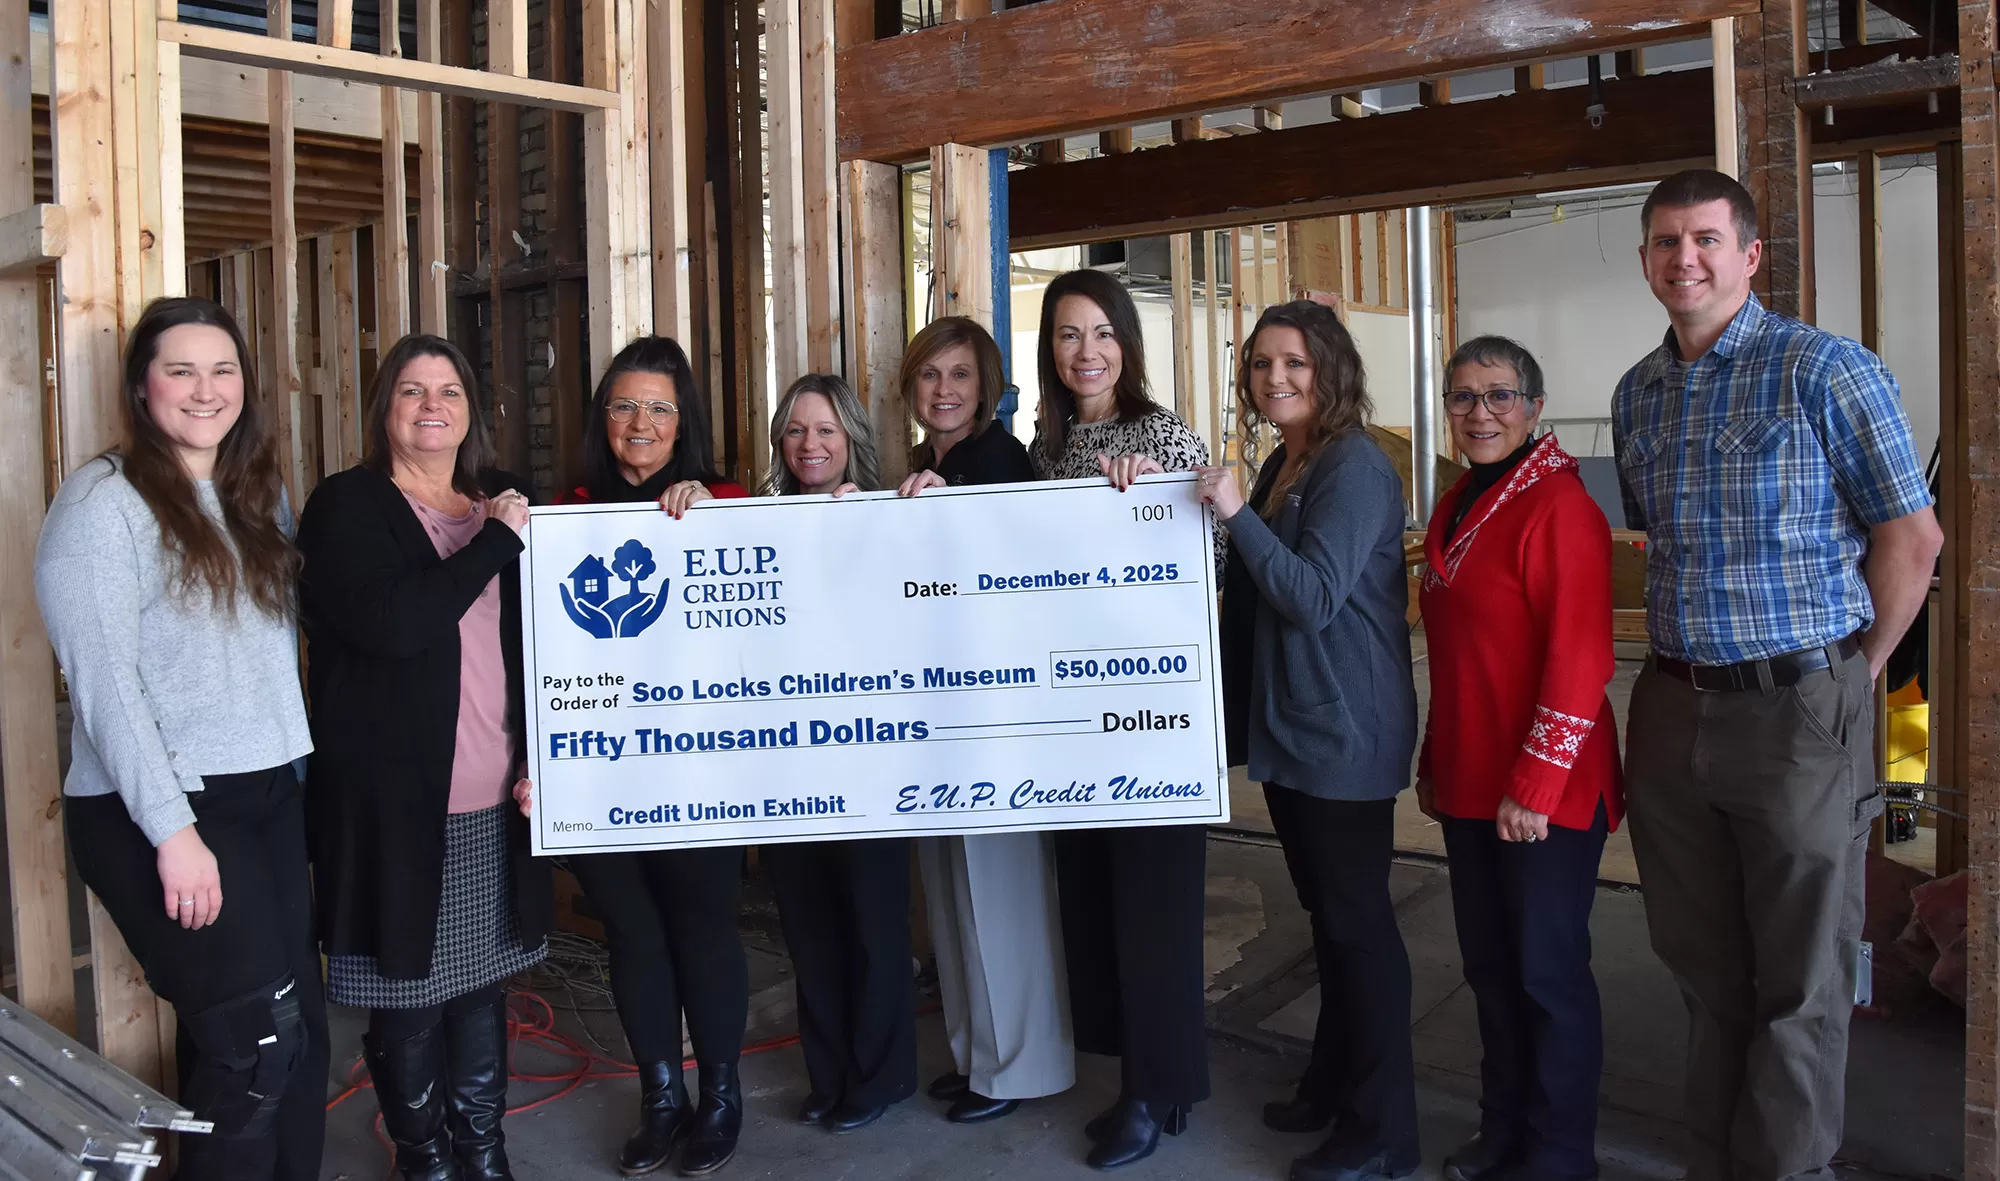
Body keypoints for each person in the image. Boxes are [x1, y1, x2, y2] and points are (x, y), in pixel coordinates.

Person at [1611, 169, 1941, 1181]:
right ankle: (1714, 1158)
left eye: (1706, 239)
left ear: (1748, 255)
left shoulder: (1823, 369)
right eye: (1666, 241)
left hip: (1801, 706)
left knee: (1801, 976)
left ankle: (1787, 1167)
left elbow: (1910, 537)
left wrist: (1857, 675)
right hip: (1670, 706)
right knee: (1702, 967)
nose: (1685, 259)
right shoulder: (1636, 392)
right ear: (1645, 261)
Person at [35, 297, 327, 1181]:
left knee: (299, 1042)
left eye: (224, 369)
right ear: (141, 385)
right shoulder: (101, 505)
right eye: (181, 370)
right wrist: (173, 831)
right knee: (253, 1052)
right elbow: (105, 689)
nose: (207, 390)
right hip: (165, 810)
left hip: (269, 795)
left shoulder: (252, 494)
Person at [297, 334, 553, 1181]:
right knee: (406, 998)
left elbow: (539, 649)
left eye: (448, 389)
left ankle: (483, 1152)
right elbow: (394, 625)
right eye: (411, 390)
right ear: (386, 410)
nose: (431, 404)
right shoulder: (348, 506)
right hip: (393, 812)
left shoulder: (494, 502)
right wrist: (493, 542)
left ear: (470, 409)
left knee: (481, 987)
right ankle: (426, 1161)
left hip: (493, 796)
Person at [1199, 300, 1420, 1181]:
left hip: (1343, 728)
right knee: (1330, 924)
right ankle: (1334, 1085)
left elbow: (1312, 595)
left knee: (1360, 929)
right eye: (1260, 365)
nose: (1274, 378)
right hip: (1294, 728)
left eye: (1292, 362)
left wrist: (1233, 515)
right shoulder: (1288, 462)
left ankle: (1384, 1133)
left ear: (1329, 368)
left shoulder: (1355, 466)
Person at [1417, 336, 1623, 1181]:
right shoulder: (1463, 496)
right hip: (1472, 778)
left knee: (1545, 976)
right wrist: (1438, 763)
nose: (1480, 413)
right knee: (1491, 972)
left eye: (1499, 395)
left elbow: (1582, 660)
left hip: (1546, 789)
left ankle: (1561, 1156)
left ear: (1535, 408)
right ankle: (1503, 1130)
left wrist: (1534, 785)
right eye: (1463, 397)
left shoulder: (1561, 507)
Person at [556, 336, 752, 1176]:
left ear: (684, 425)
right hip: (598, 770)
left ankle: (720, 1095)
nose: (641, 423)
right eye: (626, 406)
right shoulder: (561, 512)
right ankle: (660, 1094)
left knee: (702, 929)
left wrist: (708, 509)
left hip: (696, 768)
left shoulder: (728, 500)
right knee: (632, 933)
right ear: (604, 418)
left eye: (661, 408)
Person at [1029, 269, 1211, 1170]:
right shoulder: (1047, 448)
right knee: (1099, 902)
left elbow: (1203, 564)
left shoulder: (1163, 434)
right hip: (1073, 713)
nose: (1086, 351)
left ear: (1128, 343)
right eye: (1068, 335)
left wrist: (1145, 504)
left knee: (1155, 907)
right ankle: (1140, 1074)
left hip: (1153, 717)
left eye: (1102, 332)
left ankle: (1156, 1087)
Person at [894, 317, 1075, 1125]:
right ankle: (977, 1056)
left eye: (960, 376)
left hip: (994, 716)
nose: (943, 391)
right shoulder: (925, 465)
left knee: (997, 896)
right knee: (952, 895)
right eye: (930, 376)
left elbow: (1011, 574)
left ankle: (1020, 1068)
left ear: (988, 386)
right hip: (940, 711)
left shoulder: (997, 462)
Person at [761, 374, 919, 1134]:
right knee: (810, 928)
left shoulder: (892, 517)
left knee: (873, 927)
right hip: (791, 763)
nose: (810, 444)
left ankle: (880, 1075)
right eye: (795, 430)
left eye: (824, 429)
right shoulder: (756, 524)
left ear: (852, 435)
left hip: (872, 762)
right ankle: (828, 1073)